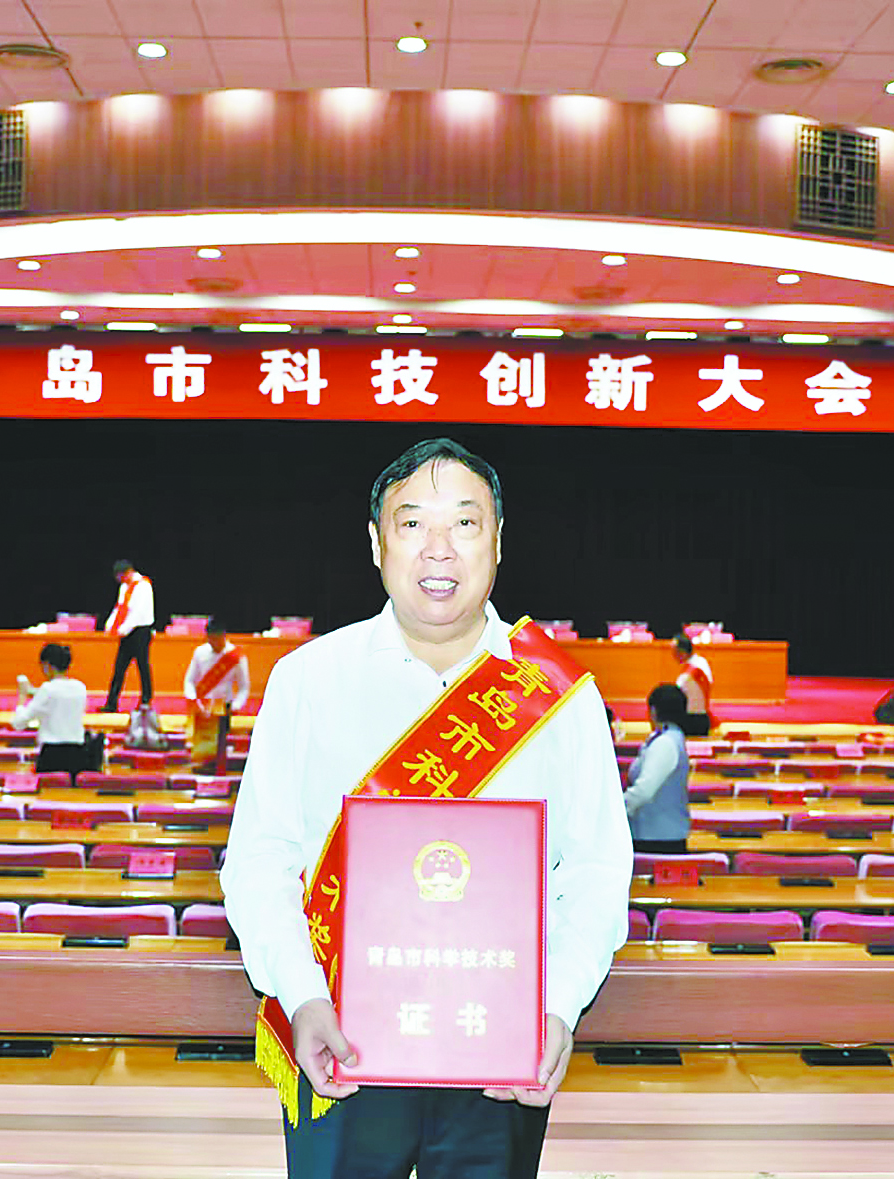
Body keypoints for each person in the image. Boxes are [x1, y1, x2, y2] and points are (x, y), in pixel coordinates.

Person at [220, 437, 630, 1179]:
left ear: (498, 540)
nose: (439, 549)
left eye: (465, 524)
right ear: (376, 542)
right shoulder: (308, 679)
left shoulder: (561, 696)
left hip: (500, 1052)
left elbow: (598, 868)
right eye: (412, 524)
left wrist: (558, 1008)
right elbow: (259, 858)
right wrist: (302, 996)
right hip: (338, 1040)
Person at [625, 683, 691, 854]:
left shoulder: (665, 743)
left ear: (653, 711)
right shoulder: (667, 737)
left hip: (658, 840)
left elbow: (643, 791)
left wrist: (614, 812)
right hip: (657, 836)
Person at [13, 642, 89, 777]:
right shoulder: (80, 688)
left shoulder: (47, 689)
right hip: (78, 755)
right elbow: (60, 694)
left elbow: (18, 723)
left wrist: (21, 699)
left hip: (52, 755)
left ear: (47, 665)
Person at [183, 617, 250, 768]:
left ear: (224, 636)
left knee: (218, 749)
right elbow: (189, 681)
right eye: (211, 639)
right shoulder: (200, 652)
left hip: (224, 708)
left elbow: (244, 688)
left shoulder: (235, 657)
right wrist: (192, 699)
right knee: (201, 748)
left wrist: (237, 706)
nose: (214, 643)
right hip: (202, 706)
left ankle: (217, 771)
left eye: (217, 639)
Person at [101, 558, 156, 712]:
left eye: (121, 576)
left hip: (140, 630)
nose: (120, 580)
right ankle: (111, 703)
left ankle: (146, 700)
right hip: (127, 631)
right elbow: (120, 607)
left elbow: (138, 612)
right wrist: (110, 624)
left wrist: (123, 629)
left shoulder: (143, 585)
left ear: (128, 572)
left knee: (142, 666)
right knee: (119, 667)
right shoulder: (124, 587)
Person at [670, 633, 714, 736]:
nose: (672, 655)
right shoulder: (701, 661)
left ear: (682, 653)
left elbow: (676, 694)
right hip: (701, 717)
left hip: (692, 721)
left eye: (674, 652)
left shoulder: (689, 674)